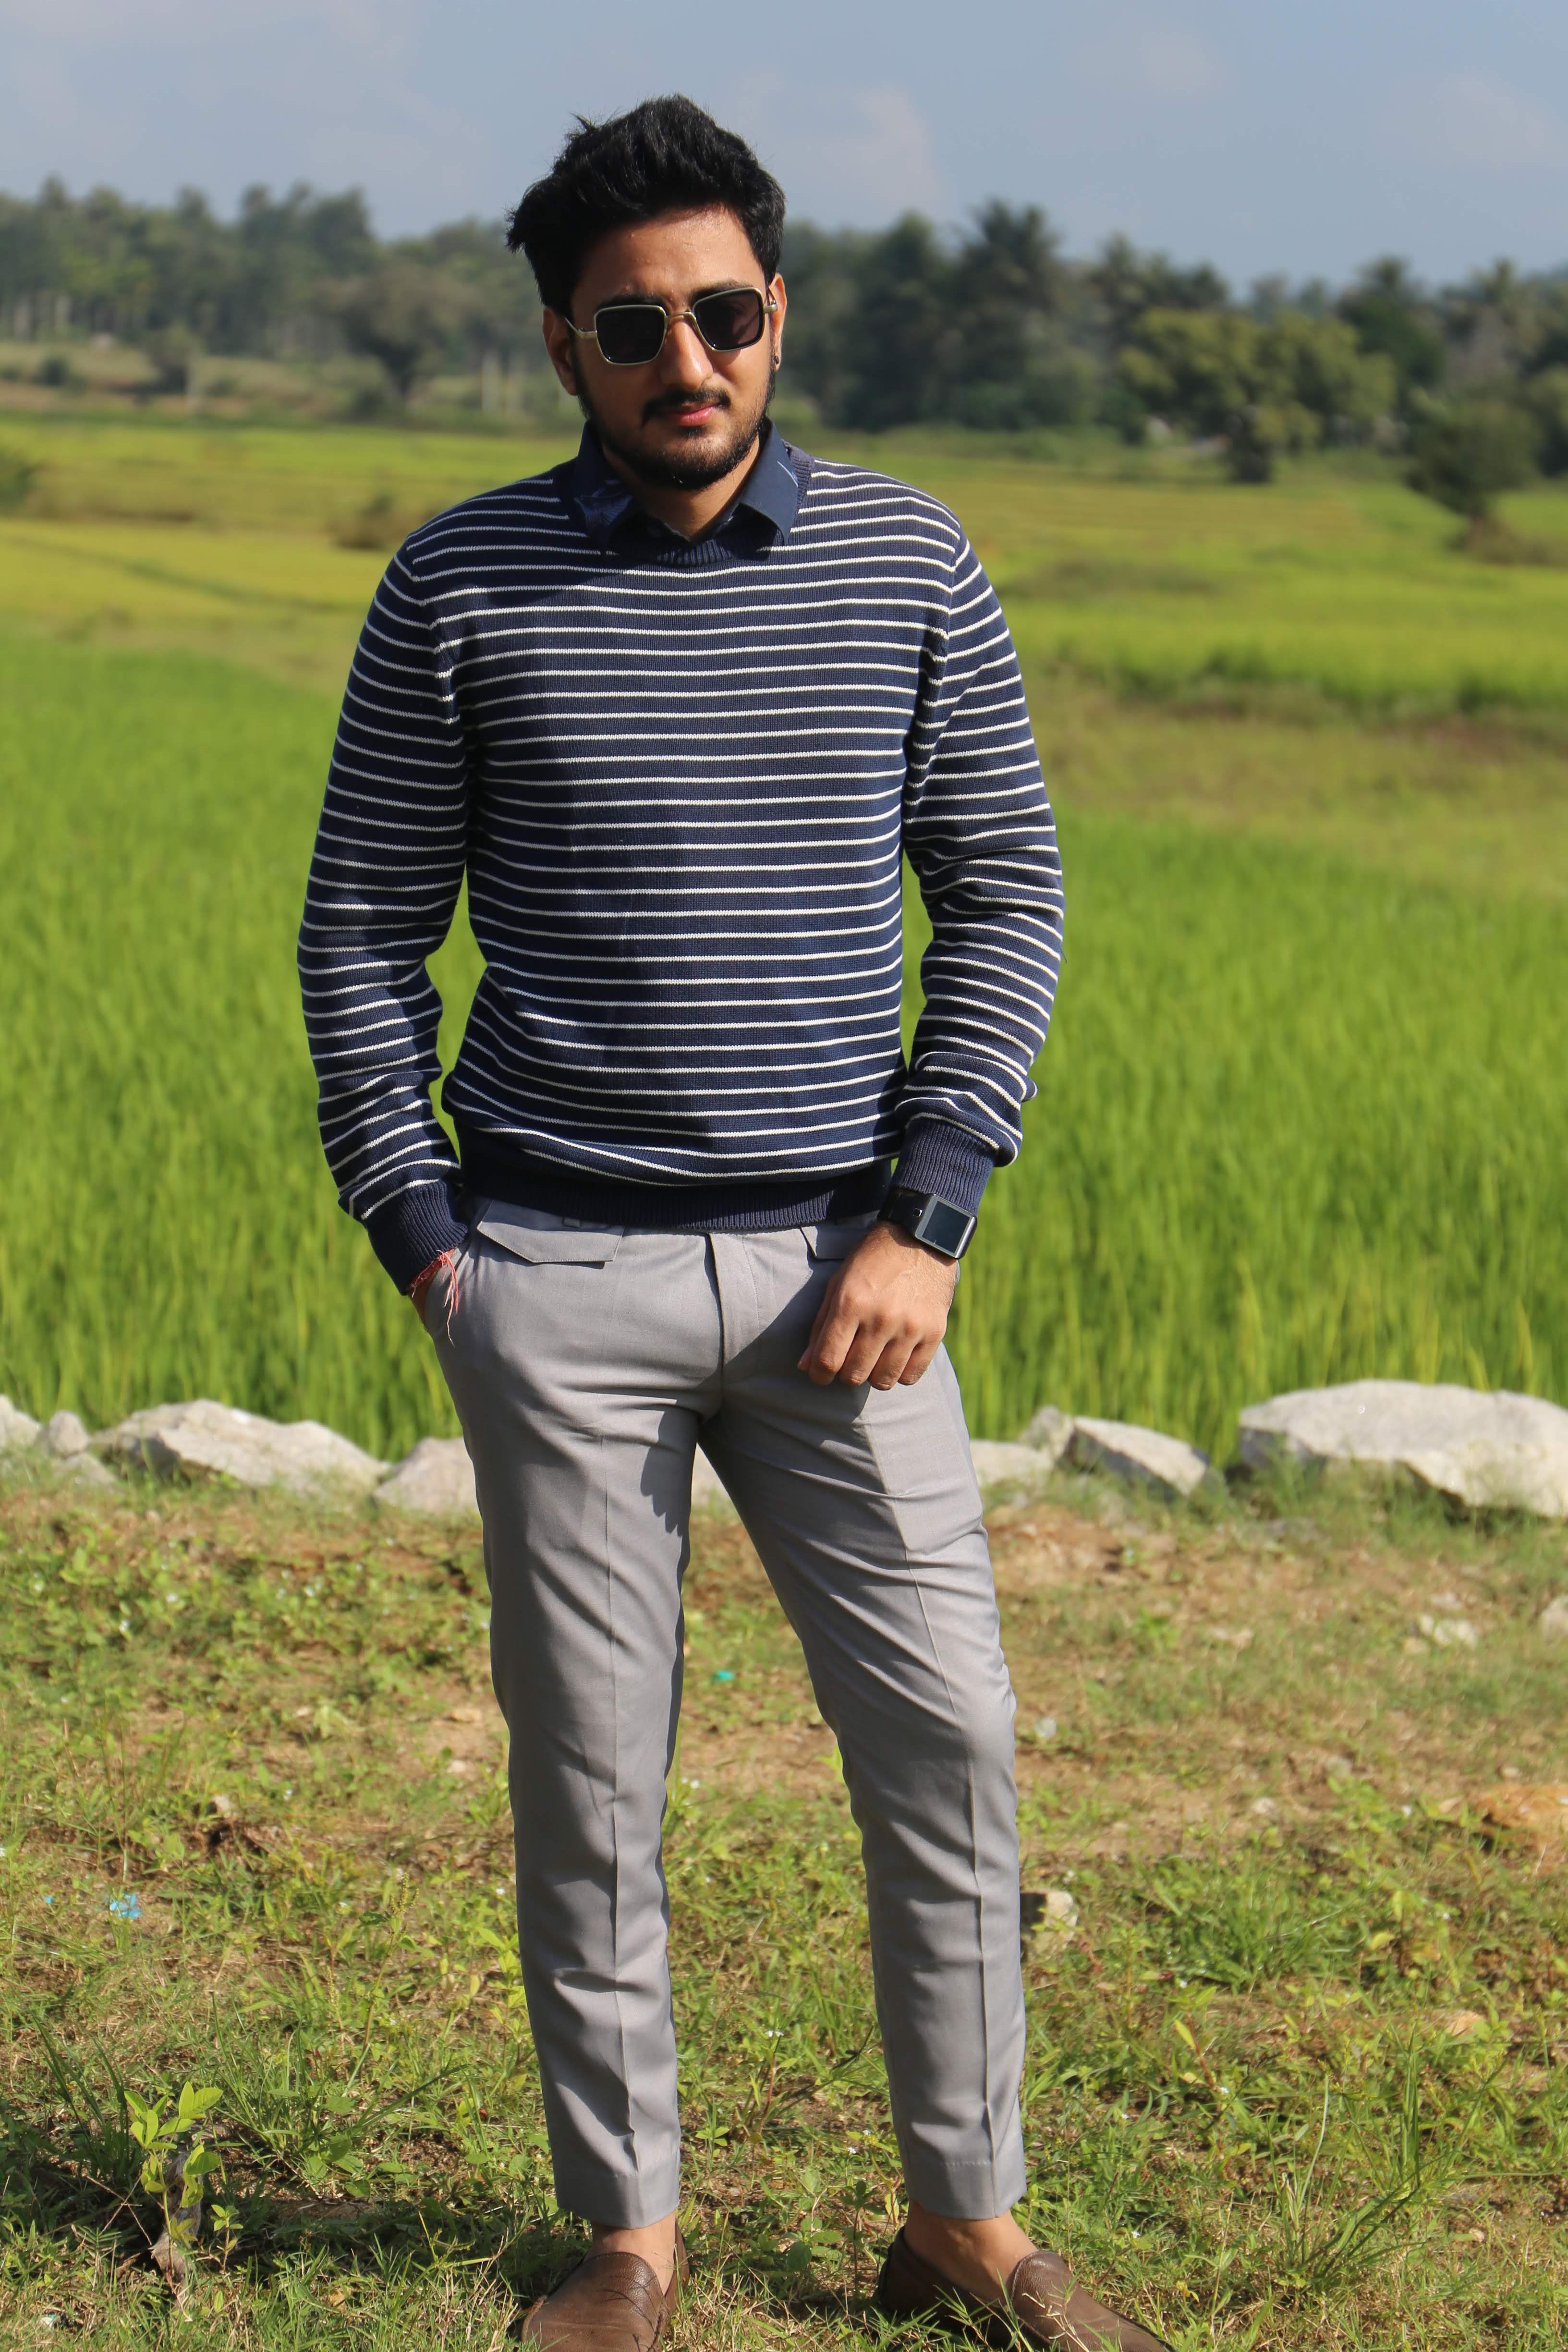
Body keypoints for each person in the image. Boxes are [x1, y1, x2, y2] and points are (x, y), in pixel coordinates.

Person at [299, 93, 1167, 2352]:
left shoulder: (910, 565)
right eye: (632, 325)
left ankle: (963, 2218)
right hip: (552, 1273)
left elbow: (1005, 896)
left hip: (847, 1279)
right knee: (591, 1776)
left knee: (948, 1738)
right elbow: (362, 929)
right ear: (562, 347)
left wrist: (928, 1215)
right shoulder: (458, 585)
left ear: (778, 311)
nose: (686, 359)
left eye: (724, 313)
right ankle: (629, 2241)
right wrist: (430, 1246)